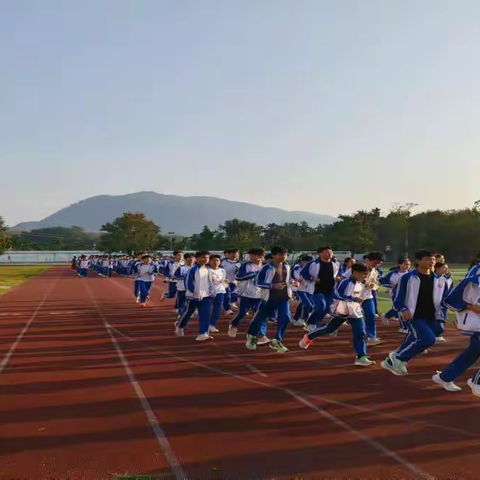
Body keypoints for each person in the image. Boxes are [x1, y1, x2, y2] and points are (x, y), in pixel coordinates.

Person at [381, 250, 449, 376]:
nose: (432, 261)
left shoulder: (440, 279)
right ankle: (399, 358)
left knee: (415, 337)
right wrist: (403, 309)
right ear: (418, 261)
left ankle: (394, 359)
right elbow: (397, 297)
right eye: (428, 259)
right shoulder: (407, 278)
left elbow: (445, 298)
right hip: (414, 315)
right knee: (428, 339)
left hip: (433, 316)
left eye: (433, 259)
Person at [299, 263, 375, 367]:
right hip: (342, 310)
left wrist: (368, 288)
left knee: (360, 333)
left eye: (366, 274)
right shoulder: (346, 282)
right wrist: (352, 299)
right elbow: (336, 294)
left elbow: (362, 296)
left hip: (355, 311)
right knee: (329, 329)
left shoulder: (361, 283)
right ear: (355, 272)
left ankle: (361, 356)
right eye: (363, 274)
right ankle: (309, 336)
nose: (365, 276)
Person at [432, 274, 480, 395]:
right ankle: (477, 382)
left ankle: (445, 377)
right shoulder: (470, 282)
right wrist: (470, 307)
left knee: (471, 354)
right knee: (472, 353)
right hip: (475, 323)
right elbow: (449, 301)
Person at [245, 246, 293, 353]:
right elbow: (257, 282)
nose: (284, 257)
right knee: (259, 319)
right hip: (269, 298)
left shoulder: (287, 266)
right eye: (281, 254)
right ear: (274, 255)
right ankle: (252, 336)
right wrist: (272, 286)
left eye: (285, 255)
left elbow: (288, 279)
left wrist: (293, 282)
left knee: (286, 318)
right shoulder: (266, 268)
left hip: (283, 297)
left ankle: (276, 341)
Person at [228, 248, 269, 344]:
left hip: (260, 295)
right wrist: (253, 274)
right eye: (250, 255)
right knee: (242, 313)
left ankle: (261, 336)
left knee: (259, 316)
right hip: (246, 294)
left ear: (260, 257)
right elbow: (238, 277)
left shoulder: (265, 267)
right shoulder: (246, 265)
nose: (251, 257)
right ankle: (233, 325)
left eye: (254, 256)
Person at [344, 252, 385, 345]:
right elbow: (343, 278)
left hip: (367, 297)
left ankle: (371, 337)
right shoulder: (357, 268)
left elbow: (374, 284)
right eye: (375, 262)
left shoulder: (375, 271)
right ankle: (332, 328)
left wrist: (373, 286)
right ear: (368, 260)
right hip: (354, 297)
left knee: (371, 316)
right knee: (346, 317)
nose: (377, 264)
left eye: (379, 263)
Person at [175, 251, 216, 341]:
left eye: (207, 258)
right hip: (193, 297)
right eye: (203, 257)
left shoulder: (209, 269)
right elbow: (188, 283)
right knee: (188, 313)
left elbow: (211, 282)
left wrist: (212, 292)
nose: (206, 259)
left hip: (206, 296)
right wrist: (194, 291)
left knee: (205, 315)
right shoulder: (192, 270)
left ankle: (203, 334)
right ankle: (180, 326)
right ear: (197, 259)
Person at [300, 246, 340, 333]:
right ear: (320, 254)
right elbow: (303, 273)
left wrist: (338, 278)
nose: (329, 253)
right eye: (326, 251)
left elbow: (338, 274)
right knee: (321, 305)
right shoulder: (313, 263)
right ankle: (311, 323)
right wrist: (312, 279)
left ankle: (313, 322)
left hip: (330, 290)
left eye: (330, 251)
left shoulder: (335, 264)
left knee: (326, 309)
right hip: (317, 289)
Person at [380, 256, 411, 333]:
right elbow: (382, 281)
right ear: (399, 264)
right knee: (400, 308)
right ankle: (403, 327)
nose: (407, 266)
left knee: (405, 309)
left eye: (409, 264)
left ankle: (386, 316)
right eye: (405, 264)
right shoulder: (392, 274)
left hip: (409, 294)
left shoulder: (411, 273)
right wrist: (391, 286)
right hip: (395, 294)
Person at [291, 254, 314, 327]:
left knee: (303, 304)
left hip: (308, 289)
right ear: (303, 261)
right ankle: (302, 319)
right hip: (299, 289)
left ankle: (296, 318)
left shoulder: (311, 268)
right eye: (308, 262)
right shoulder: (297, 268)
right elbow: (298, 278)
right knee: (308, 304)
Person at [208, 254, 228, 333]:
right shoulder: (207, 270)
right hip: (208, 292)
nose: (215, 262)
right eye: (213, 260)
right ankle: (205, 324)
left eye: (217, 260)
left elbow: (224, 280)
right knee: (208, 309)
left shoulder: (222, 270)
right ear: (209, 261)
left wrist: (225, 285)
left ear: (220, 262)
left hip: (220, 292)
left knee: (217, 309)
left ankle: (212, 325)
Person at [221, 248, 240, 314]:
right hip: (225, 281)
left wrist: (238, 270)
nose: (234, 255)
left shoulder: (239, 263)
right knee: (227, 295)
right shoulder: (223, 261)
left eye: (236, 253)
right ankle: (227, 309)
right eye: (233, 253)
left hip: (234, 282)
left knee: (233, 295)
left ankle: (229, 306)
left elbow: (239, 274)